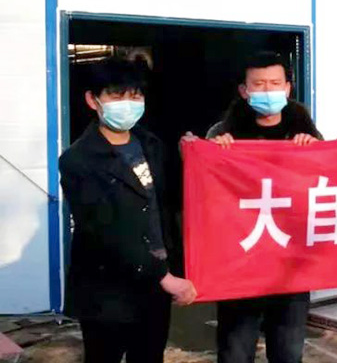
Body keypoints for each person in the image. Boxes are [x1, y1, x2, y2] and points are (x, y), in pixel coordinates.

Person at [59, 56, 197, 363]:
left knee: (149, 356)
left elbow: (171, 204)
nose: (128, 104)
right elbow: (105, 231)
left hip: (154, 288)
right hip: (108, 291)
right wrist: (165, 277)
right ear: (93, 100)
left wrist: (195, 155)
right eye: (116, 96)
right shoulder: (78, 160)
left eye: (135, 96)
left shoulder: (152, 145)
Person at [206, 51, 322, 363]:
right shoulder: (222, 134)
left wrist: (315, 153)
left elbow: (327, 186)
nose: (268, 90)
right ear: (244, 91)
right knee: (235, 351)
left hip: (291, 265)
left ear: (288, 88)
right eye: (259, 85)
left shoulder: (307, 134)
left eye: (274, 83)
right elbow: (203, 187)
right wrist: (210, 154)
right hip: (241, 263)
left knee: (288, 352)